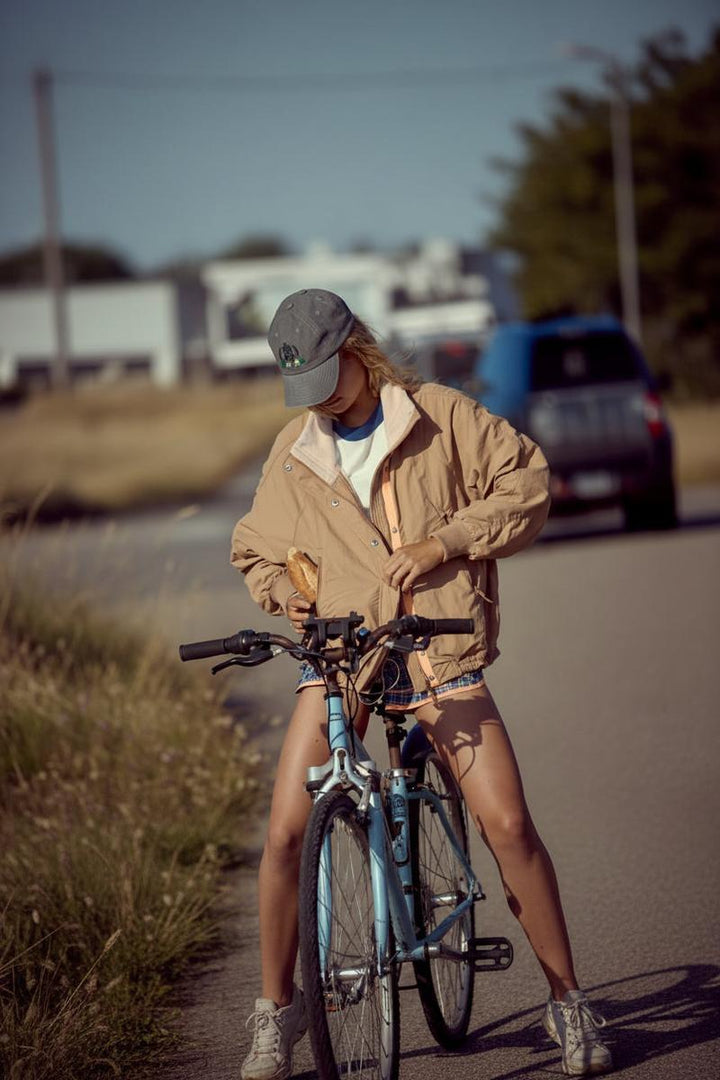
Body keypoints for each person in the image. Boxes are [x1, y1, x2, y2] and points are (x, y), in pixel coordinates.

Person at [231, 288, 613, 1079]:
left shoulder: (440, 415)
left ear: (359, 351)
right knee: (284, 834)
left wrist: (445, 542)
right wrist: (288, 593)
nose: (322, 403)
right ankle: (278, 1012)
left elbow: (526, 484)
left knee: (507, 824)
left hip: (437, 647)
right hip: (345, 655)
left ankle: (570, 1003)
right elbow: (255, 549)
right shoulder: (296, 449)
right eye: (304, 390)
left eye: (330, 379)